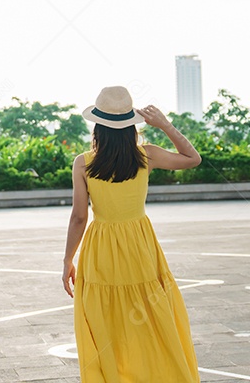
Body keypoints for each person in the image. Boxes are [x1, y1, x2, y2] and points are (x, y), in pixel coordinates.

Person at [62, 85, 203, 382]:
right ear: (131, 125)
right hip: (140, 246)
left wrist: (67, 262)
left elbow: (78, 217)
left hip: (101, 249)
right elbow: (192, 159)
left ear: (98, 126)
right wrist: (165, 125)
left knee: (106, 321)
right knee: (150, 317)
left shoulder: (83, 163)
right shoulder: (147, 156)